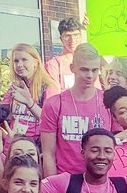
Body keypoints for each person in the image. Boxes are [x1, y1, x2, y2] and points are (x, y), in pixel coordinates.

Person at [39, 43, 106, 179]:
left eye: (94, 70)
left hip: (100, 183)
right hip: (66, 182)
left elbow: (119, 143)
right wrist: (53, 188)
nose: (90, 75)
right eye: (84, 70)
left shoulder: (108, 101)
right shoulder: (54, 104)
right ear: (72, 68)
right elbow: (48, 154)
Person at [3, 43, 55, 140]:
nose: (19, 65)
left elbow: (50, 120)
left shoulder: (48, 88)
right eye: (16, 61)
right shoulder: (14, 88)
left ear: (36, 62)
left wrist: (29, 103)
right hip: (15, 145)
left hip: (35, 147)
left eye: (24, 60)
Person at [45, 17, 86, 92]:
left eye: (76, 35)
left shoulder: (88, 62)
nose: (72, 40)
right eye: (67, 36)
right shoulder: (54, 65)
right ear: (61, 39)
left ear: (80, 36)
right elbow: (53, 97)